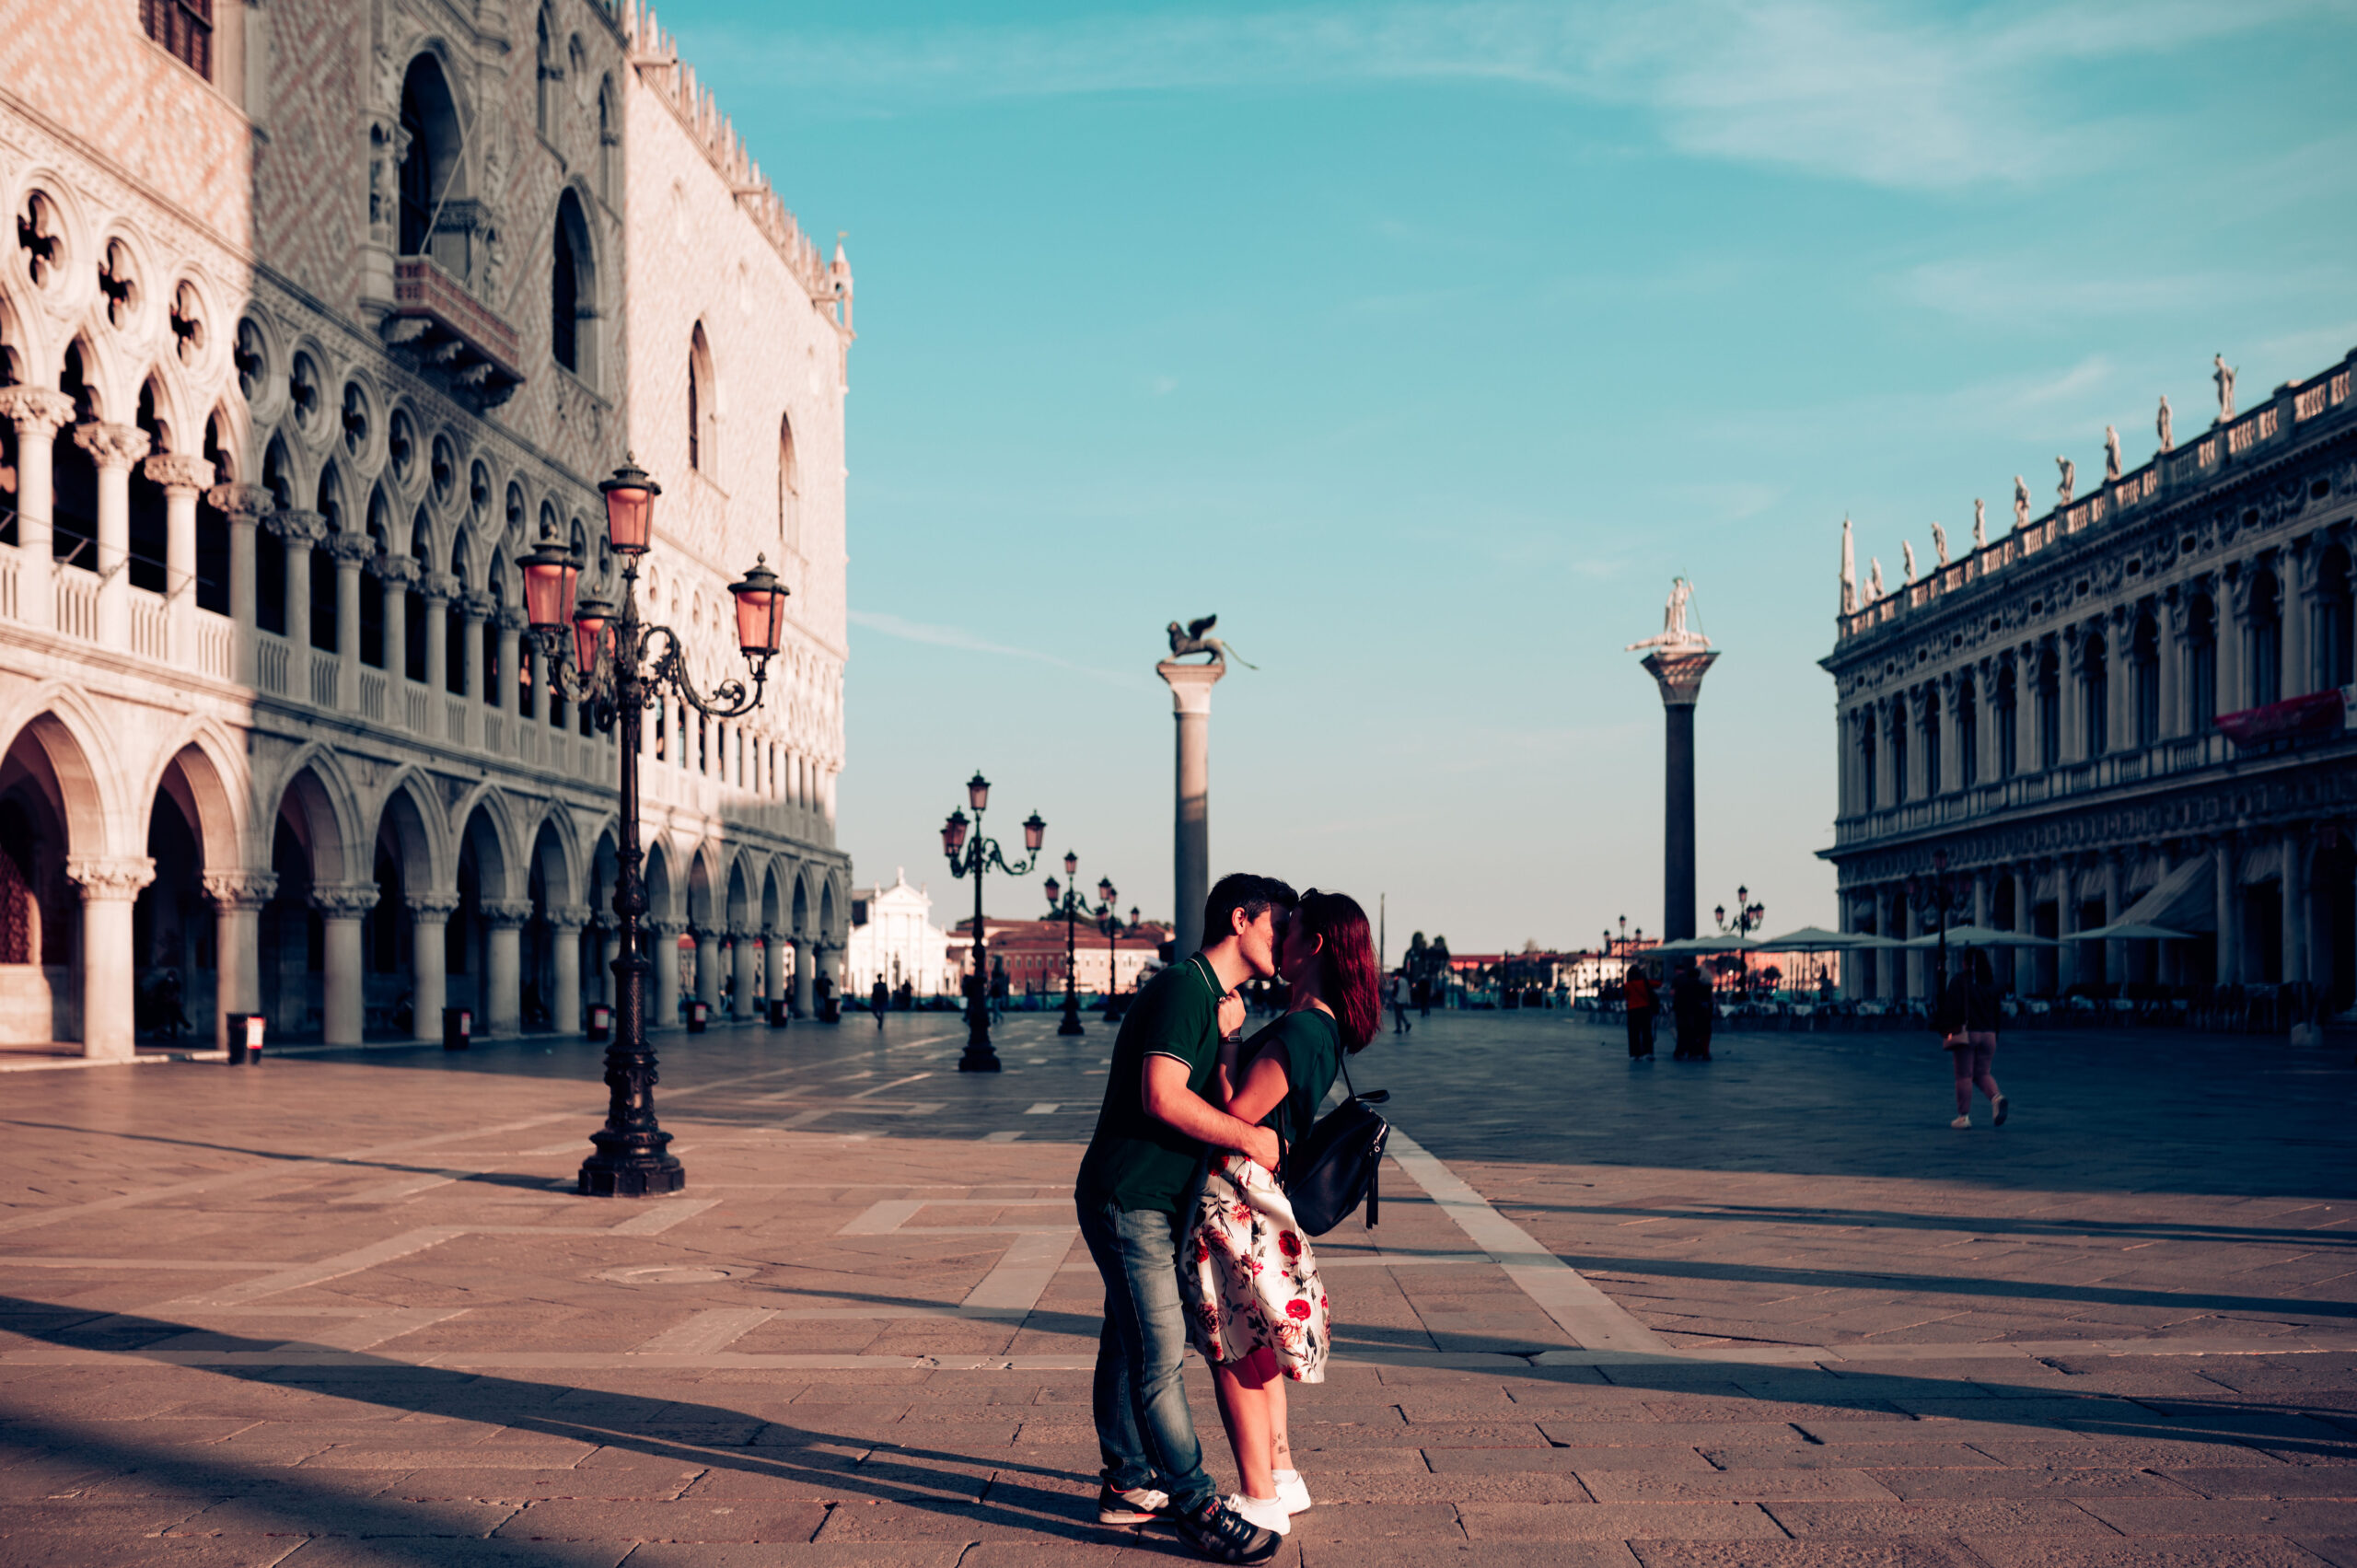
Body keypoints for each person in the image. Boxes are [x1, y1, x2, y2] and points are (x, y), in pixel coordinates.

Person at [1074, 873, 1297, 1565]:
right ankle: (1197, 1503)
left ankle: (1127, 1481)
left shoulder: (1209, 999)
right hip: (1129, 1195)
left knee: (1127, 1336)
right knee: (1160, 1354)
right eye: (1275, 928)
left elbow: (1200, 1085)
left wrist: (1227, 1037)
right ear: (1240, 919)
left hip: (1155, 1200)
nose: (1284, 943)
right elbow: (1162, 1095)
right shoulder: (1180, 988)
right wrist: (1247, 1138)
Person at [1182, 889, 1379, 1541]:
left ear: (1314, 945)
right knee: (1257, 1344)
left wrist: (1229, 1039)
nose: (1280, 937)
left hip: (1235, 1194)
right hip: (1260, 1189)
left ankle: (1258, 1494)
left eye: (1291, 929)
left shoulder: (1300, 1029)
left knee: (1233, 1350)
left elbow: (1238, 1111)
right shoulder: (1320, 1026)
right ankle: (1283, 1471)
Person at [1940, 948, 2008, 1129]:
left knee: (1964, 1075)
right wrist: (1996, 1034)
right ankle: (1996, 1097)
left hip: (1968, 1033)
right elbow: (1997, 1012)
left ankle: (1963, 1117)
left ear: (1966, 962)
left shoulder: (1960, 981)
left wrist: (1945, 1028)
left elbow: (1951, 1009)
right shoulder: (1991, 983)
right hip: (1989, 1034)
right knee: (1982, 1073)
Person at [1670, 962, 1713, 1061]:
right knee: (1695, 1033)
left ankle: (1680, 1051)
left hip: (1682, 1012)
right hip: (1696, 1012)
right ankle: (1694, 1051)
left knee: (1682, 1033)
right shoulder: (1701, 985)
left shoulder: (1681, 985)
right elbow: (1705, 999)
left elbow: (1676, 998)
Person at [1623, 964, 1656, 1059]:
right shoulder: (1645, 982)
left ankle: (1636, 1053)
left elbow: (1626, 997)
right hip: (1645, 1009)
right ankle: (1649, 1052)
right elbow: (1659, 984)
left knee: (1634, 1032)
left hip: (1632, 1010)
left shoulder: (1628, 985)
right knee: (1647, 1031)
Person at [1388, 971, 1411, 1035]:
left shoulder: (1397, 981)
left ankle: (1399, 1028)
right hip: (1403, 999)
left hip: (1398, 999)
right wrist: (1408, 1000)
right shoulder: (1405, 981)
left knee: (1397, 1014)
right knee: (1400, 1013)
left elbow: (1395, 990)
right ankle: (1407, 1023)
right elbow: (1407, 991)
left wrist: (1393, 998)